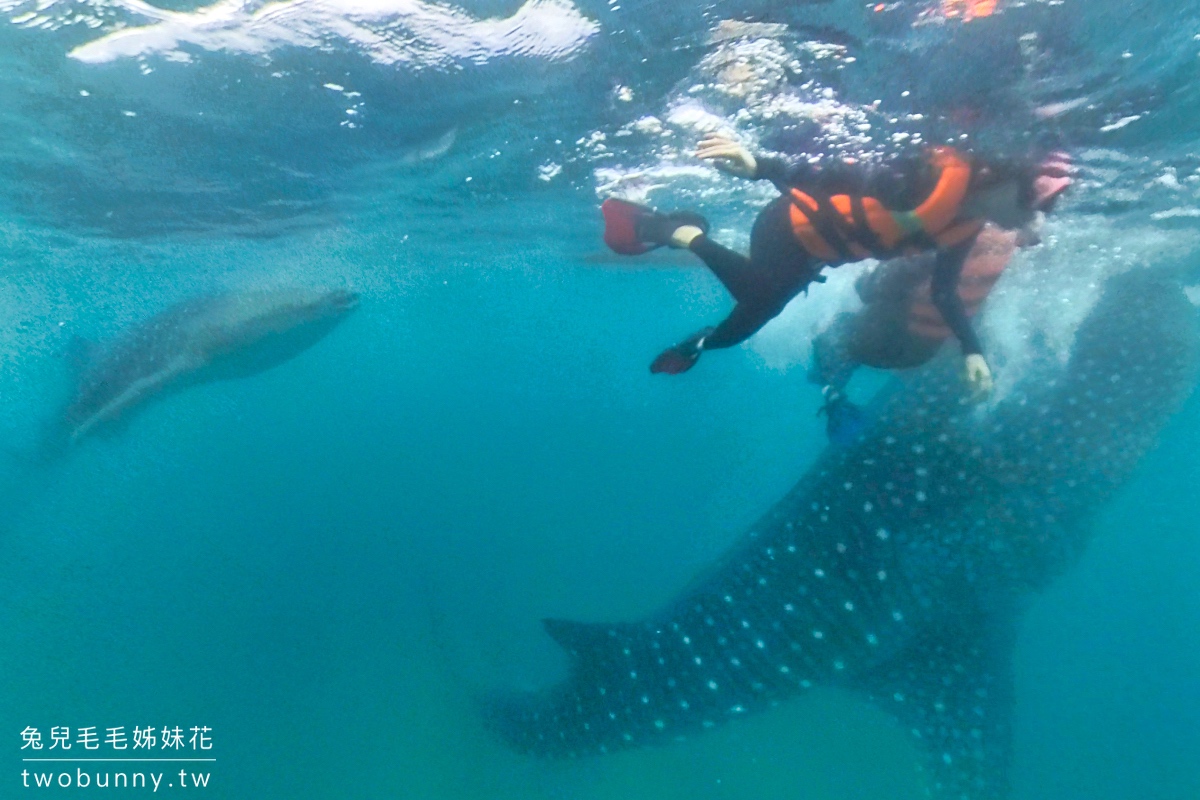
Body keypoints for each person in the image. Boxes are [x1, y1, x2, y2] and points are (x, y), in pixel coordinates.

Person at [601, 134, 1057, 399]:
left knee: (740, 330)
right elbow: (842, 174)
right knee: (760, 296)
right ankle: (667, 231)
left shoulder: (967, 225)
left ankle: (698, 341)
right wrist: (761, 164)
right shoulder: (927, 182)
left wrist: (972, 350)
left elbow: (943, 291)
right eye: (1036, 203)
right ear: (1003, 183)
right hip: (788, 228)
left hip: (814, 253)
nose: (1036, 218)